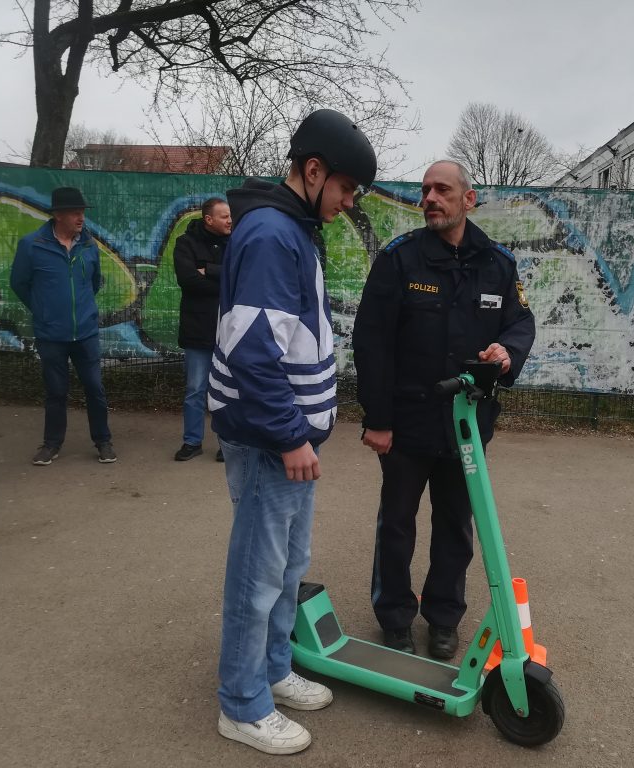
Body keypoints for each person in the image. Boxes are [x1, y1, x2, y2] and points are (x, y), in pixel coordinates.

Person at [209, 109, 377, 756]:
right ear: (313, 171)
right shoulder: (273, 235)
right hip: (269, 441)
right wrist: (289, 436)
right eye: (346, 188)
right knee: (257, 575)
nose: (348, 202)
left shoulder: (292, 230)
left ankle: (273, 669)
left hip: (287, 438)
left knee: (286, 567)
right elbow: (253, 350)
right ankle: (242, 704)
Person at [352, 160, 536, 660]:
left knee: (456, 526)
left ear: (468, 199)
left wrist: (507, 352)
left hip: (467, 425)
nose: (430, 198)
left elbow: (520, 323)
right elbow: (371, 343)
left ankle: (443, 617)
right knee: (397, 525)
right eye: (425, 190)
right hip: (407, 423)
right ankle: (394, 617)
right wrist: (377, 419)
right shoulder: (400, 260)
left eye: (442, 190)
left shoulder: (497, 263)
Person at [9, 187, 116, 465]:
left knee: (95, 388)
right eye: (75, 213)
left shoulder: (89, 245)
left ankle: (103, 441)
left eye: (82, 213)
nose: (81, 218)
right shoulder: (32, 245)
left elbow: (94, 282)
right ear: (58, 215)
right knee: (56, 392)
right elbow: (19, 283)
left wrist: (83, 311)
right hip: (51, 334)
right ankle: (51, 444)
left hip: (86, 332)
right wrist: (43, 310)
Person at [172, 197, 231, 462]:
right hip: (197, 330)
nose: (230, 220)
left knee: (227, 390)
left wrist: (208, 269)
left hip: (228, 331)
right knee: (195, 389)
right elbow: (188, 280)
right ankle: (192, 441)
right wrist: (224, 282)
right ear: (209, 219)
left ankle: (227, 442)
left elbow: (240, 275)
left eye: (230, 215)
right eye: (224, 216)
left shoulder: (235, 242)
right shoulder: (185, 243)